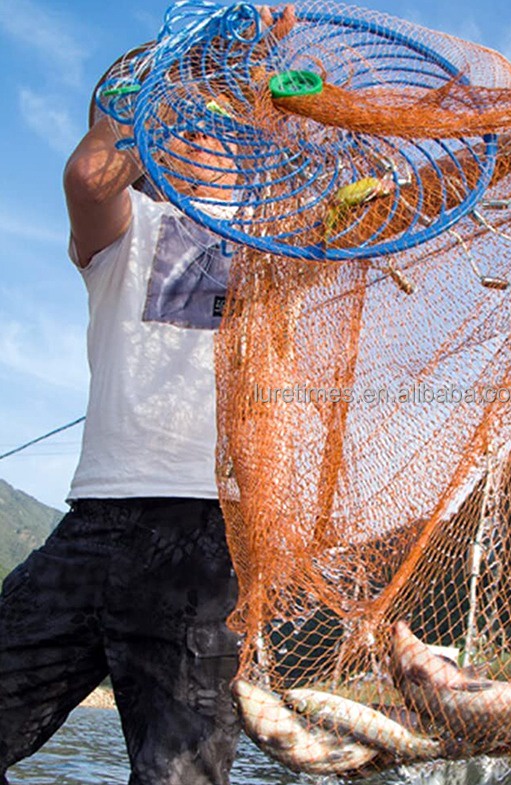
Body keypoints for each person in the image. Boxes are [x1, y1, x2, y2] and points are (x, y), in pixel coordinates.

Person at [0, 10, 294, 781]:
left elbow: (392, 203)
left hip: (207, 537)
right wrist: (176, 77)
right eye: (181, 127)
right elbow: (88, 175)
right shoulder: (124, 228)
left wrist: (260, 74)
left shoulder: (283, 241)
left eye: (215, 128)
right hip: (95, 522)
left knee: (179, 773)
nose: (199, 136)